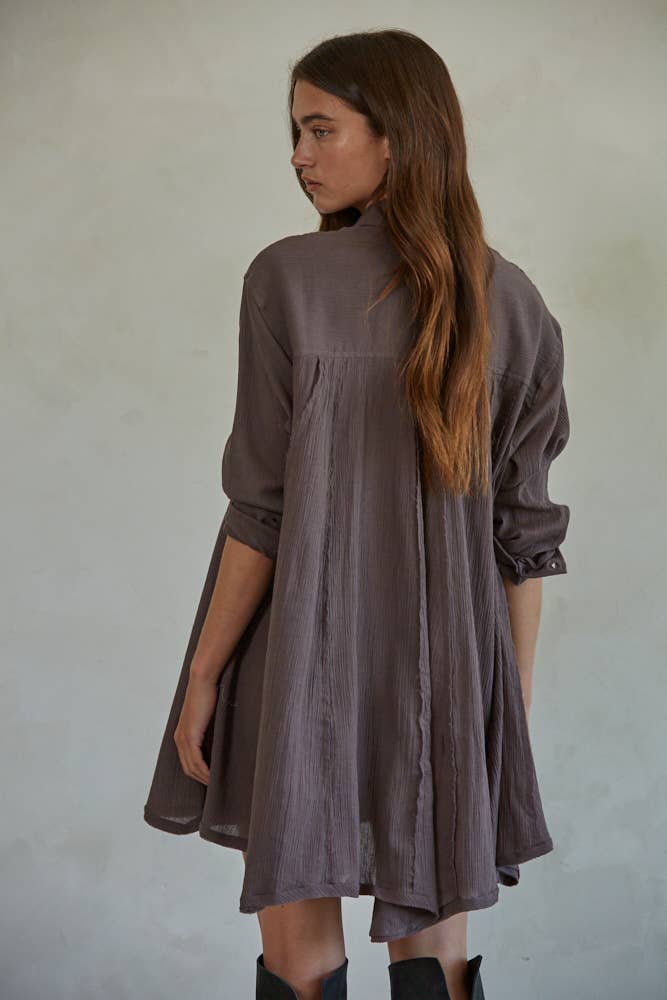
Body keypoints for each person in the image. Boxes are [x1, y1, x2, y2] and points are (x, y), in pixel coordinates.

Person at [143, 28, 571, 1000]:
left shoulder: (286, 280)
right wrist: (503, 708)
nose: (298, 155)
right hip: (448, 677)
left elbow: (261, 509)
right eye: (295, 133)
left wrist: (203, 673)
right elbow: (524, 542)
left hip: (298, 659)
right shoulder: (513, 303)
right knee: (437, 959)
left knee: (299, 954)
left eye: (319, 128)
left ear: (396, 135)